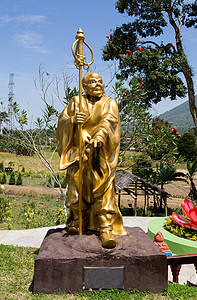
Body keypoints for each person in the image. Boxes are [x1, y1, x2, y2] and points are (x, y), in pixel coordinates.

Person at [56, 72, 128, 248]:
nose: (98, 84)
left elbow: (109, 122)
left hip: (100, 155)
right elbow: (62, 123)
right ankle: (77, 222)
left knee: (102, 190)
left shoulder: (109, 103)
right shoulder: (76, 102)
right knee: (76, 187)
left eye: (100, 81)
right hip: (78, 155)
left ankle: (105, 229)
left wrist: (100, 136)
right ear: (85, 86)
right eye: (93, 82)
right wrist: (72, 121)